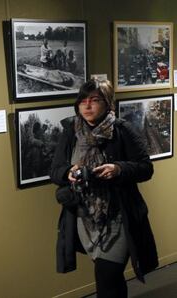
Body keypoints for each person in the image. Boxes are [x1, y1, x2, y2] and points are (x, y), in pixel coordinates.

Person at [50, 79, 158, 298]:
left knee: (106, 276)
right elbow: (55, 170)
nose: (87, 106)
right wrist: (68, 172)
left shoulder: (122, 129)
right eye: (83, 101)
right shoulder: (71, 132)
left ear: (108, 103)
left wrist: (119, 169)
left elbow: (145, 168)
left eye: (95, 100)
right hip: (86, 219)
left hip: (118, 216)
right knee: (111, 279)